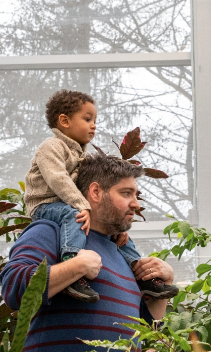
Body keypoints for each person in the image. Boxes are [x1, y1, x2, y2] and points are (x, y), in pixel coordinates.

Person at [1, 153, 176, 352]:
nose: (136, 204)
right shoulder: (52, 231)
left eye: (136, 195)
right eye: (126, 193)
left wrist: (161, 289)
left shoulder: (121, 254)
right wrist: (76, 266)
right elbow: (13, 287)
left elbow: (145, 332)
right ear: (95, 192)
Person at [24, 89, 178, 303]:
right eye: (87, 119)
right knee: (73, 216)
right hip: (46, 204)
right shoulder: (51, 147)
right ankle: (72, 263)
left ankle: (142, 276)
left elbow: (150, 324)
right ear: (64, 121)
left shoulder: (81, 155)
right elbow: (57, 178)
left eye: (94, 120)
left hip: (67, 205)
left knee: (121, 236)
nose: (93, 125)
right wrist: (82, 206)